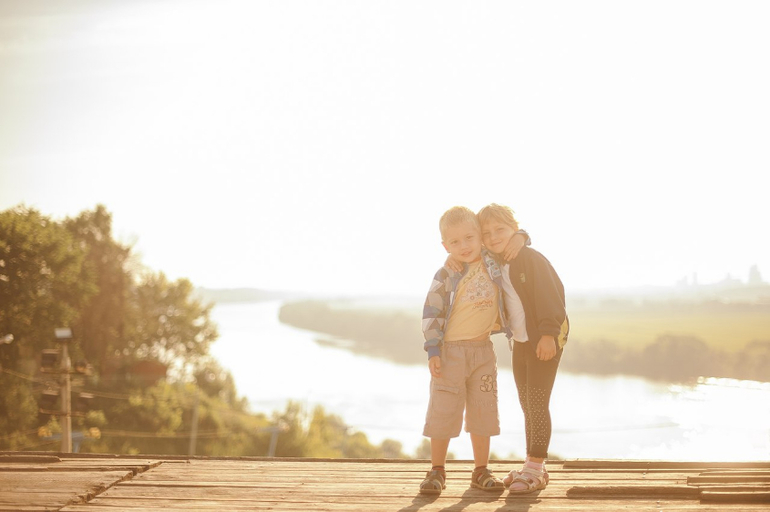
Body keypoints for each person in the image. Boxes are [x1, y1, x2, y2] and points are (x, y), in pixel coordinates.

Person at [419, 206, 528, 495]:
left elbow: (513, 241)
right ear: (445, 246)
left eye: (469, 238)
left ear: (479, 236)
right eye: (454, 242)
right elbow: (431, 311)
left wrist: (522, 236)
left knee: (484, 410)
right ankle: (437, 470)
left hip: (483, 351)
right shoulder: (446, 273)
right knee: (444, 410)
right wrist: (433, 350)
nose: (463, 246)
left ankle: (480, 470)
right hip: (450, 351)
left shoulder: (493, 261)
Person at [476, 203, 569, 494]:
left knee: (538, 403)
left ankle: (536, 470)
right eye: (487, 232)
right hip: (521, 341)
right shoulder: (493, 260)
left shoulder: (529, 258)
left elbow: (550, 296)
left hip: (544, 337)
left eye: (500, 230)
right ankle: (531, 464)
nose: (493, 237)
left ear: (513, 229)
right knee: (527, 403)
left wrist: (548, 335)